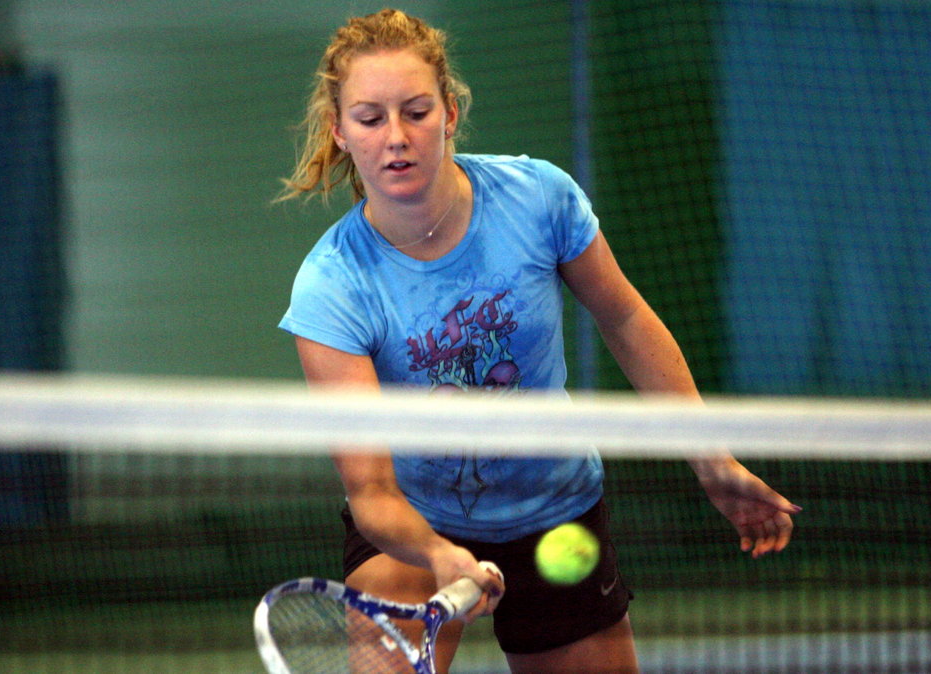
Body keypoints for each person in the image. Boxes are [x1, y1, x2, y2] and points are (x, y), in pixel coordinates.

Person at [277, 9, 799, 673]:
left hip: (555, 509)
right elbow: (371, 491)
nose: (397, 138)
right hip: (415, 527)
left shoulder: (538, 199)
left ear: (451, 112)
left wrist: (711, 461)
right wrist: (439, 555)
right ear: (340, 131)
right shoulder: (332, 286)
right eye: (371, 118)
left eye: (416, 111)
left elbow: (627, 318)